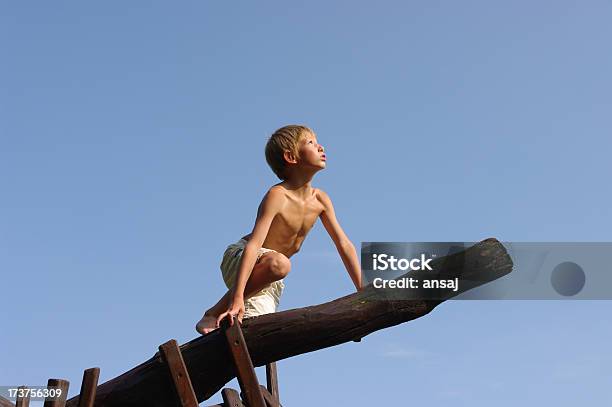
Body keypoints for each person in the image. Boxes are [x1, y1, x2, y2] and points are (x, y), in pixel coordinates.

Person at [196, 124, 362, 335]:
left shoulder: (321, 199)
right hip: (243, 257)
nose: (321, 147)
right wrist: (237, 297)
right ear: (291, 157)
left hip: (270, 275)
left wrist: (361, 289)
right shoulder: (277, 195)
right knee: (280, 264)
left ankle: (219, 329)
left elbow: (343, 243)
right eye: (311, 142)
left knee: (254, 331)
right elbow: (255, 244)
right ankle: (212, 312)